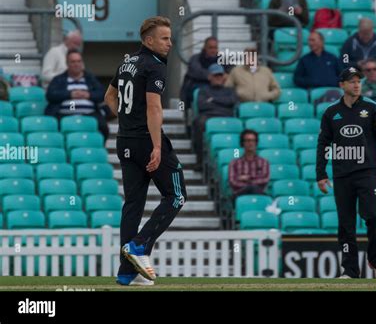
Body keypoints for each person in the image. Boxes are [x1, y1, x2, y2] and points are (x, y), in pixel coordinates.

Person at [104, 16, 187, 286]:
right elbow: (154, 107)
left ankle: (127, 272)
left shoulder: (126, 62)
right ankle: (139, 246)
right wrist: (157, 146)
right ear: (148, 40)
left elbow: (109, 97)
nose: (170, 43)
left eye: (170, 37)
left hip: (125, 140)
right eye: (164, 38)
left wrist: (126, 120)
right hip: (145, 140)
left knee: (133, 205)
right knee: (176, 195)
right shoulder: (154, 66)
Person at [316, 66, 376, 279]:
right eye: (351, 81)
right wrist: (321, 174)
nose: (356, 84)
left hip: (367, 173)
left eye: (358, 81)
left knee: (374, 217)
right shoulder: (331, 113)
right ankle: (350, 270)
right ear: (341, 85)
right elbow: (323, 144)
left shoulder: (372, 109)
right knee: (346, 225)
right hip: (342, 175)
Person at [45, 49, 108, 139]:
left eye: (79, 61)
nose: (76, 64)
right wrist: (70, 94)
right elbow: (50, 95)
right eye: (73, 62)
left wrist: (88, 95)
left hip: (90, 114)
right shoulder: (58, 79)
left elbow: (102, 94)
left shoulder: (90, 78)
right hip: (63, 115)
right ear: (67, 64)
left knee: (104, 128)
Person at [193, 63, 238, 162]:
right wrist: (222, 102)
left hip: (227, 117)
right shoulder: (203, 91)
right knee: (198, 122)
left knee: (240, 127)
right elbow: (202, 106)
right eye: (215, 75)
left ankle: (236, 157)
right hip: (209, 117)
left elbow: (231, 102)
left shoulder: (229, 90)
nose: (218, 78)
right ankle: (200, 161)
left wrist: (213, 100)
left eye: (220, 75)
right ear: (209, 77)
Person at [180, 36, 230, 110]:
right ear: (205, 48)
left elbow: (231, 69)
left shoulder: (222, 59)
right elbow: (196, 71)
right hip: (198, 88)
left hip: (218, 89)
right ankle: (183, 110)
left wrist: (227, 75)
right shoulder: (195, 58)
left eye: (215, 48)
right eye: (210, 47)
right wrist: (214, 76)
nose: (213, 50)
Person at [229, 129, 270, 199]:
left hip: (258, 192)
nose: (250, 143)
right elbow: (233, 182)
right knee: (252, 188)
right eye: (248, 141)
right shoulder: (234, 163)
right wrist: (250, 185)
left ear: (256, 143)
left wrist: (247, 178)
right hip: (240, 194)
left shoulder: (264, 162)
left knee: (254, 189)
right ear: (243, 143)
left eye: (253, 141)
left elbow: (265, 180)